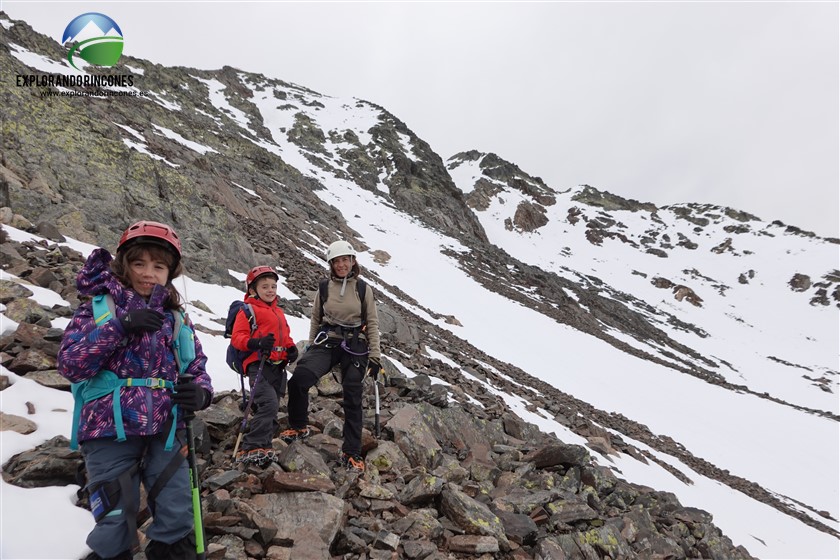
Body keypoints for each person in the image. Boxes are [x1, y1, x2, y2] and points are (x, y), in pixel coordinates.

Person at [58, 220, 214, 560]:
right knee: (114, 522)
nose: (148, 273)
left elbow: (196, 366)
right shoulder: (98, 309)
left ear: (170, 272)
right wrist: (120, 326)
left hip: (167, 429)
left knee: (177, 516)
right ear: (123, 264)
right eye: (139, 263)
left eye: (158, 266)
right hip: (106, 430)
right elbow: (70, 364)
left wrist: (201, 393)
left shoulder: (175, 319)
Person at [281, 240, 381, 472]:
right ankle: (298, 425)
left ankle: (352, 451)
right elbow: (316, 318)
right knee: (299, 379)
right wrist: (311, 345)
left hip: (356, 342)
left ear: (353, 261)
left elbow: (373, 323)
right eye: (337, 261)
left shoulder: (363, 289)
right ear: (331, 264)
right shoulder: (324, 287)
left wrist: (375, 357)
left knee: (352, 392)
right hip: (328, 340)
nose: (341, 265)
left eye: (345, 260)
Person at [230, 266, 297, 466]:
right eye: (265, 286)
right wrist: (256, 343)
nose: (270, 290)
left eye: (273, 286)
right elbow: (238, 337)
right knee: (269, 404)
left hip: (277, 367)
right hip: (257, 365)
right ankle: (251, 445)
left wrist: (291, 348)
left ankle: (264, 445)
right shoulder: (248, 310)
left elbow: (285, 336)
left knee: (271, 406)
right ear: (252, 290)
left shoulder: (279, 312)